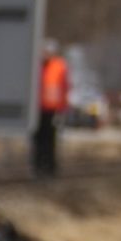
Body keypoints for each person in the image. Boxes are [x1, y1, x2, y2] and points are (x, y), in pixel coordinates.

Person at [33, 40, 69, 177]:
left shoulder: (59, 66)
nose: (45, 55)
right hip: (38, 109)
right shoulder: (38, 66)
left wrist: (62, 109)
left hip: (53, 110)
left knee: (50, 140)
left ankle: (49, 168)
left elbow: (64, 87)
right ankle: (38, 167)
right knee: (38, 139)